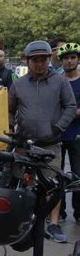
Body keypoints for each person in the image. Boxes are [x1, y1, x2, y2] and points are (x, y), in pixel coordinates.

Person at [9, 40, 76, 243]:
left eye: (43, 60)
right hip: (24, 146)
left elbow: (70, 106)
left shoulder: (60, 82)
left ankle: (53, 224)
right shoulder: (18, 85)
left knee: (53, 186)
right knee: (24, 185)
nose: (39, 64)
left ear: (49, 59)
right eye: (35, 60)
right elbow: (9, 109)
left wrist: (58, 127)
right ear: (28, 61)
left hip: (50, 144)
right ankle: (25, 221)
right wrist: (12, 126)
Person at [57, 43, 80, 222]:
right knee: (56, 174)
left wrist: (70, 112)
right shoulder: (58, 80)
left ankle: (79, 212)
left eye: (73, 57)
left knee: (78, 174)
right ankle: (59, 211)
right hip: (58, 133)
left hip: (77, 134)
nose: (69, 61)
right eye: (66, 58)